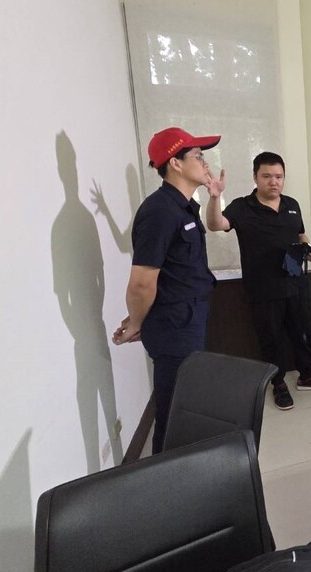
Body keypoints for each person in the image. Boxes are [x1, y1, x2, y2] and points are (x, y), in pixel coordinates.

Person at [112, 127, 220, 453]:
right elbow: (142, 283)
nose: (205, 163)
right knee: (174, 412)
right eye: (198, 156)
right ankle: (164, 476)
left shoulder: (184, 207)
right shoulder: (159, 211)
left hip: (188, 317)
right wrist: (136, 322)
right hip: (174, 324)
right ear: (175, 163)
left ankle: (182, 468)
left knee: (185, 404)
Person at [205, 151, 311, 410]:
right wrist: (215, 197)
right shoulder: (242, 207)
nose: (274, 182)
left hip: (296, 284)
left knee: (304, 333)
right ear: (255, 177)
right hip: (263, 289)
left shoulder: (292, 204)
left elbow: (300, 234)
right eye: (266, 176)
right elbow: (216, 224)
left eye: (279, 176)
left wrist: (308, 249)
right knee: (270, 339)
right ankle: (278, 384)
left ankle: (306, 376)